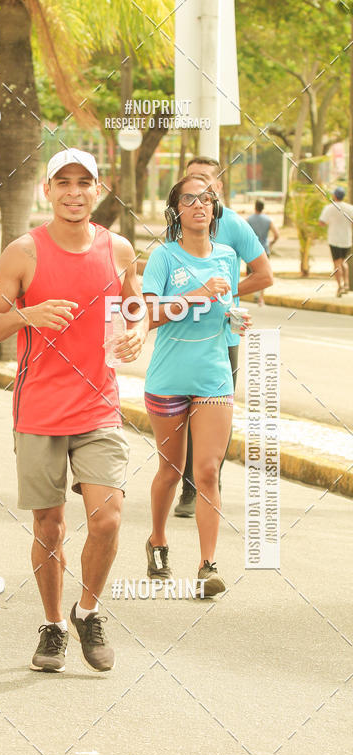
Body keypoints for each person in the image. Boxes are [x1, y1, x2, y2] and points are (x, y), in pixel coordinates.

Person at [0, 148, 147, 673]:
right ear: (47, 190)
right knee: (48, 528)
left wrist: (137, 331)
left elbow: (133, 305)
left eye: (84, 182)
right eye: (62, 182)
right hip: (40, 412)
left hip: (99, 408)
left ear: (98, 190)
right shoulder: (24, 253)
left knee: (108, 519)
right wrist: (28, 314)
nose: (74, 191)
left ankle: (87, 609)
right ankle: (52, 626)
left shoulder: (118, 249)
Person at [142, 174, 251, 597]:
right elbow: (149, 315)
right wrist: (195, 294)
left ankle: (207, 566)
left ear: (215, 208)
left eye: (207, 198)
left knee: (207, 472)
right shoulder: (164, 258)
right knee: (170, 471)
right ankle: (157, 540)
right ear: (177, 210)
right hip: (168, 378)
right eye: (190, 199)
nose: (200, 205)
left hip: (213, 376)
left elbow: (227, 310)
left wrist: (234, 319)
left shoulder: (226, 257)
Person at [174, 157, 272, 517]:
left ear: (218, 187)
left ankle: (207, 482)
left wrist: (227, 295)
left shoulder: (234, 224)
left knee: (215, 414)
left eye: (206, 181)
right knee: (181, 413)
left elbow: (264, 275)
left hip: (222, 339)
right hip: (180, 337)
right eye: (191, 179)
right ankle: (187, 487)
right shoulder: (177, 222)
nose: (198, 187)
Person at [318, 187, 353, 297]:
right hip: (346, 239)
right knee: (344, 262)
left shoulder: (329, 208)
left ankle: (340, 287)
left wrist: (329, 223)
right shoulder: (350, 208)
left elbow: (321, 223)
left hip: (334, 240)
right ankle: (346, 283)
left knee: (337, 264)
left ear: (335, 196)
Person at [247, 199, 279, 305]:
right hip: (264, 250)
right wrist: (271, 243)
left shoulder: (249, 220)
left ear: (255, 207)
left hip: (251, 250)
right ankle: (261, 297)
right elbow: (276, 234)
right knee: (264, 273)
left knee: (252, 273)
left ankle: (253, 293)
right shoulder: (268, 220)